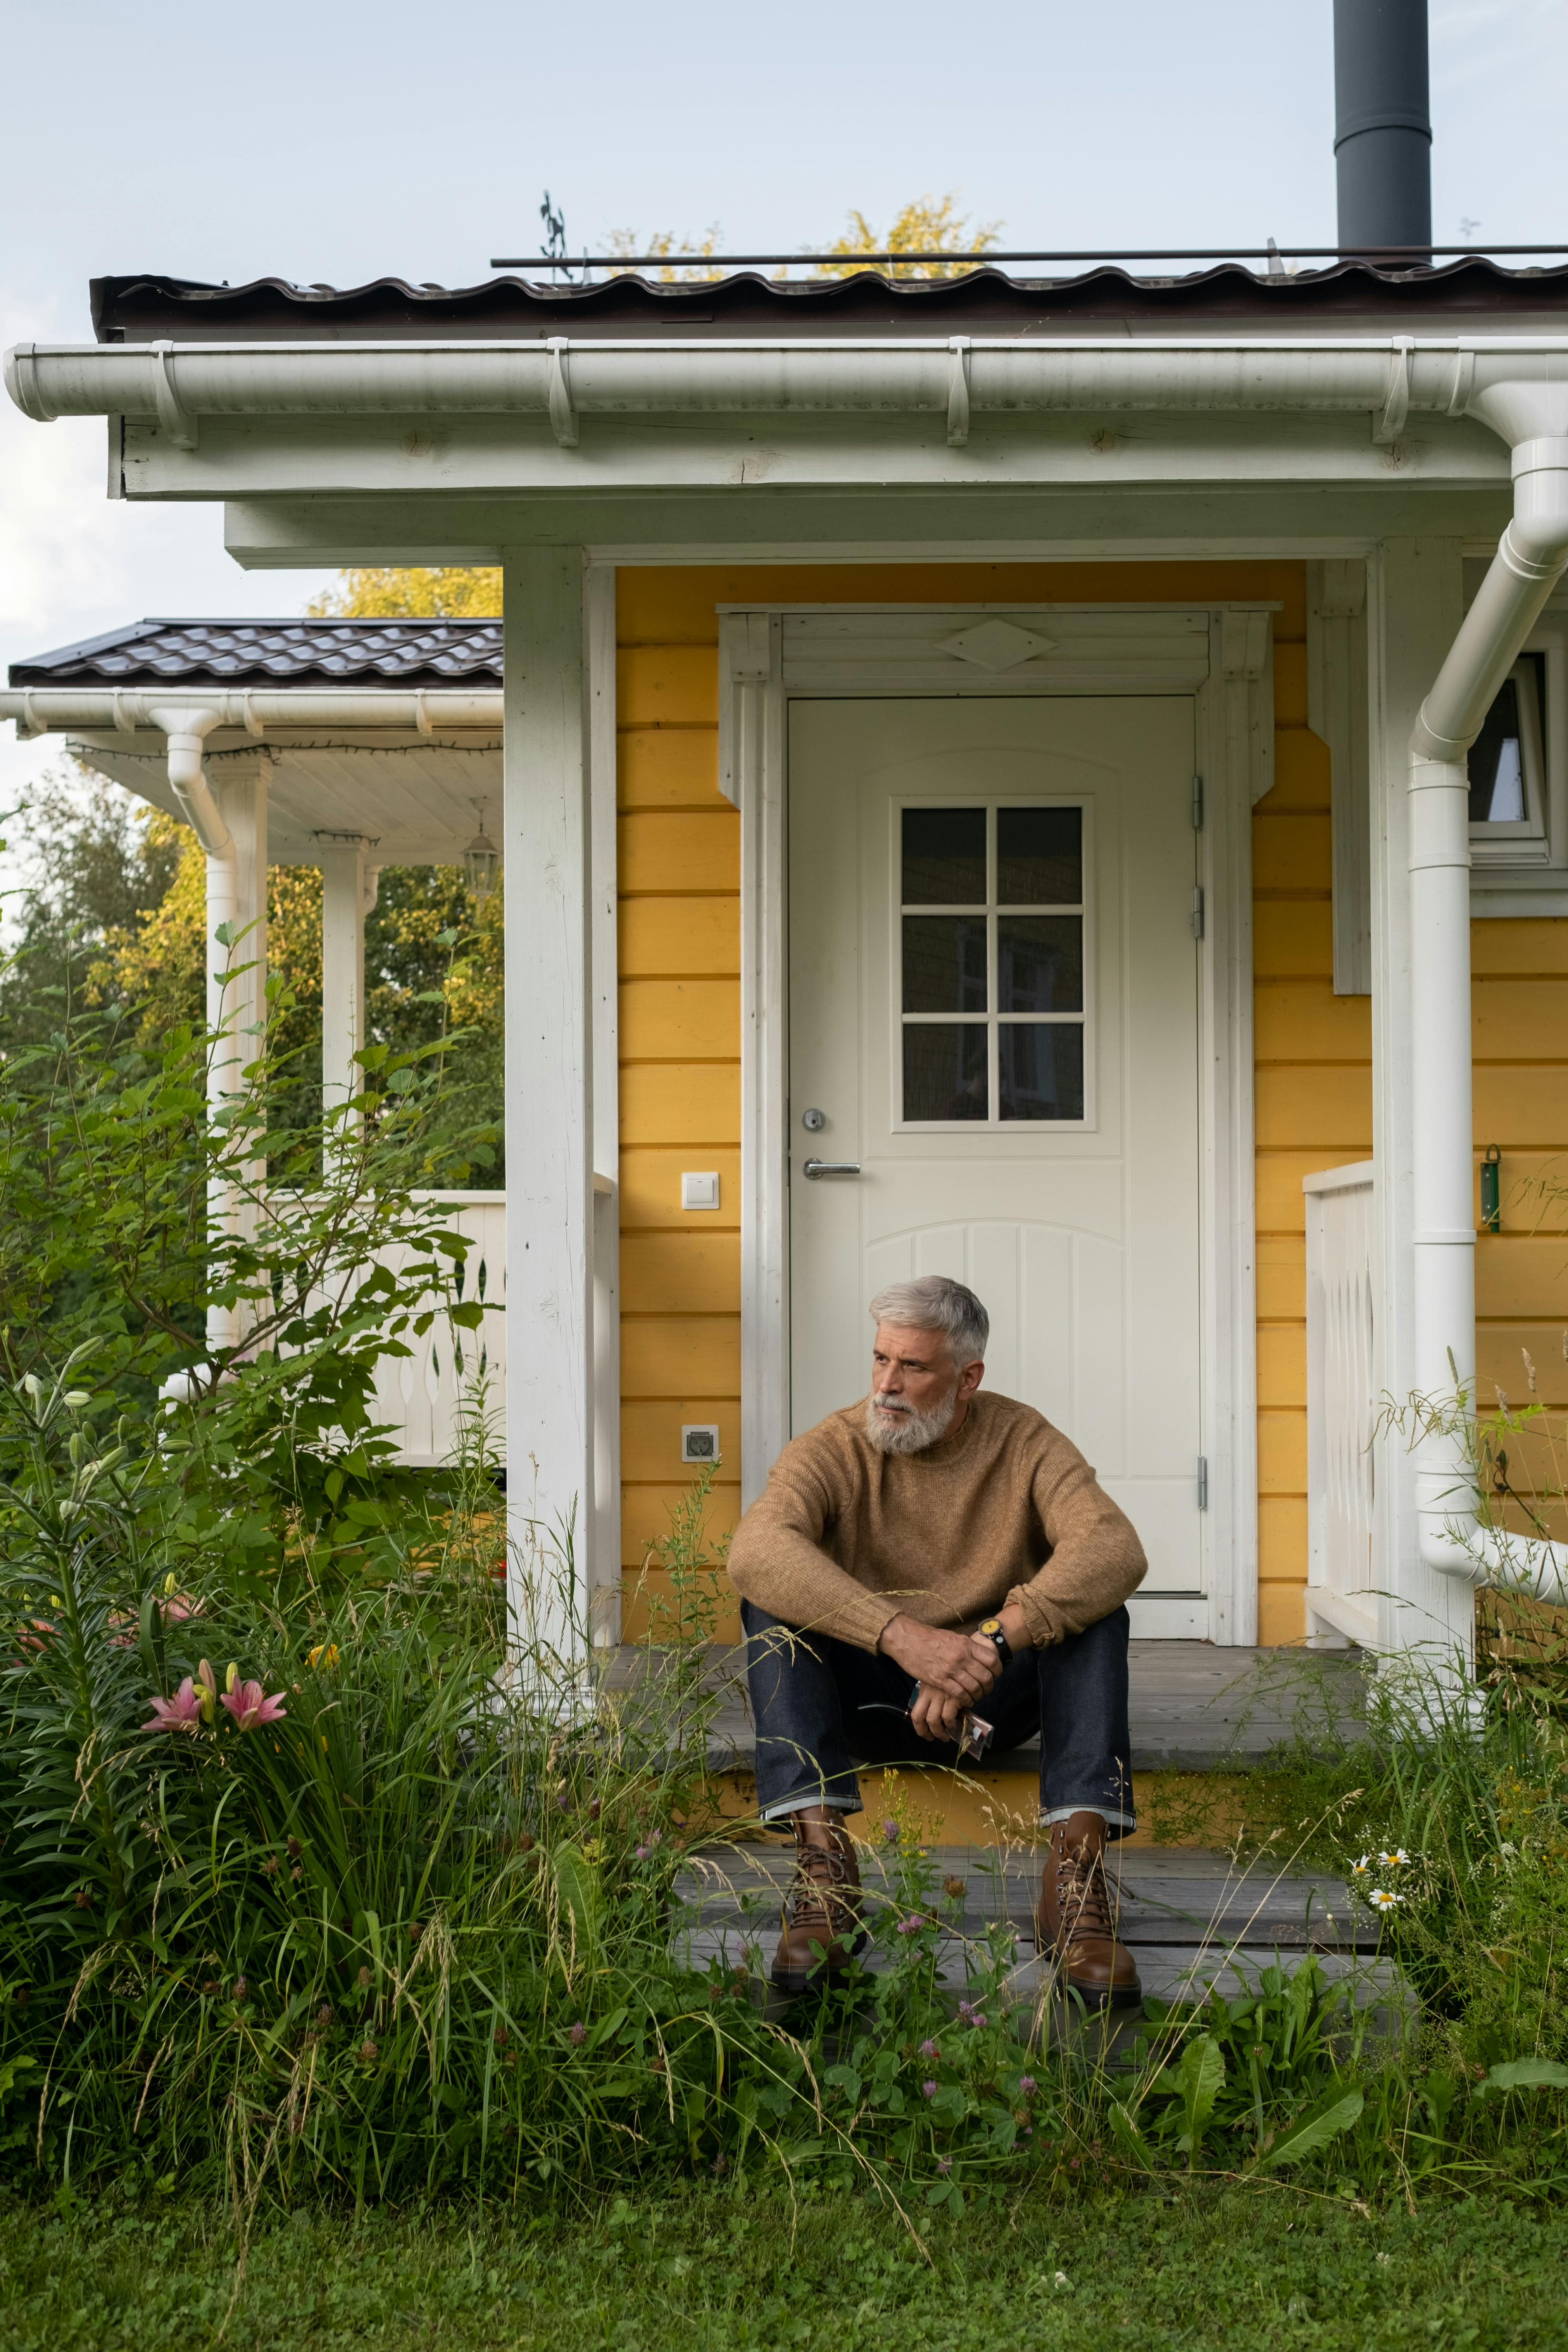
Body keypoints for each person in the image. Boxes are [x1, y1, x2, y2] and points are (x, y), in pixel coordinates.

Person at [726, 1275, 1147, 2007]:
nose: (886, 1385)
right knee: (770, 1603)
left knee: (1095, 1613)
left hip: (995, 1699)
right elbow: (755, 1551)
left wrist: (991, 1641)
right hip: (869, 1701)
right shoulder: (833, 1446)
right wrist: (899, 1638)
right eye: (880, 1360)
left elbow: (1114, 1548)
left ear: (968, 1377)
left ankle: (1074, 1876)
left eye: (912, 1367)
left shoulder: (1023, 1440)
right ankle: (823, 1863)